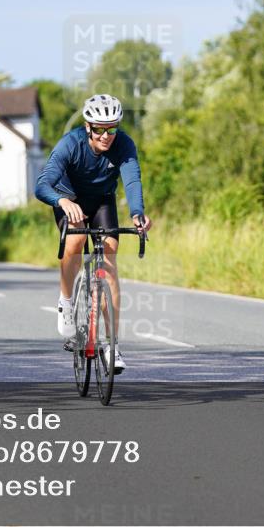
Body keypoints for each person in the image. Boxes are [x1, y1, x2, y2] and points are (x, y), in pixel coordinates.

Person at [35, 94, 153, 373]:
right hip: (68, 198)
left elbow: (132, 180)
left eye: (111, 128)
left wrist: (138, 214)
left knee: (109, 261)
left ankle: (112, 345)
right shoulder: (70, 144)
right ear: (88, 126)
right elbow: (42, 185)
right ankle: (66, 301)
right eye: (99, 128)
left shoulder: (123, 144)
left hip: (102, 200)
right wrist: (62, 202)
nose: (106, 135)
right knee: (75, 239)